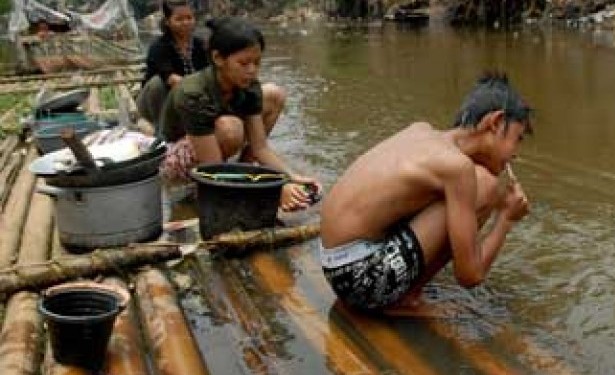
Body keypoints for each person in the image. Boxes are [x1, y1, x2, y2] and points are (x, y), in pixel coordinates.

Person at [319, 72, 532, 313]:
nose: (516, 153)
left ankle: (403, 289)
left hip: (334, 265)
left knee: (468, 188)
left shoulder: (421, 131)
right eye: (517, 138)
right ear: (495, 122)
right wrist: (506, 219)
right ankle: (407, 298)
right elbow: (470, 276)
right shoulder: (457, 169)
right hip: (359, 280)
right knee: (484, 186)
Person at [159, 16, 320, 211]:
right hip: (174, 158)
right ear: (218, 59)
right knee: (230, 129)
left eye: (257, 63)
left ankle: (243, 171)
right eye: (243, 64)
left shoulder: (249, 86)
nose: (252, 71)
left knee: (273, 95)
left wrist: (290, 177)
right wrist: (273, 190)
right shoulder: (192, 93)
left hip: (209, 149)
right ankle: (231, 184)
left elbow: (260, 148)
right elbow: (214, 168)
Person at [137, 0, 209, 126]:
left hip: (189, 99)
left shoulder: (200, 45)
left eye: (189, 18)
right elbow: (171, 79)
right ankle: (161, 129)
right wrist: (196, 90)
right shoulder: (159, 47)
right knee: (157, 83)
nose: (186, 22)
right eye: (179, 19)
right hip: (157, 101)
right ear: (167, 22)